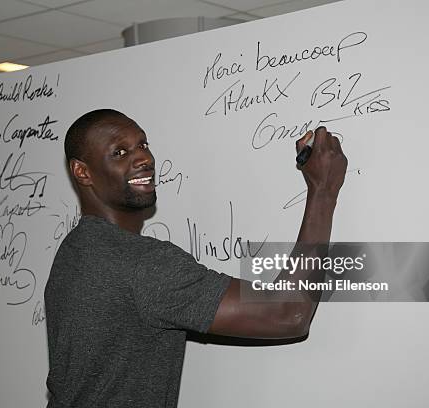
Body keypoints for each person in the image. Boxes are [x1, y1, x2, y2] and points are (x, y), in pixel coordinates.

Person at [44, 109, 347, 407]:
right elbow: (289, 313)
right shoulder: (142, 264)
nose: (144, 159)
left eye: (143, 145)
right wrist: (323, 190)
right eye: (120, 152)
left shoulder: (74, 250)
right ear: (83, 172)